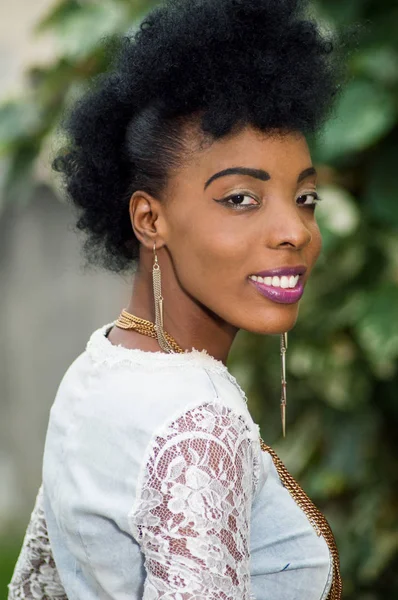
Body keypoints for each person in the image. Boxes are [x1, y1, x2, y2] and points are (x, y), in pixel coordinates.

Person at [8, 0, 346, 598]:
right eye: (241, 198)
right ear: (149, 219)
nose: (294, 231)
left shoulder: (98, 368)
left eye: (305, 198)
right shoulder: (199, 425)